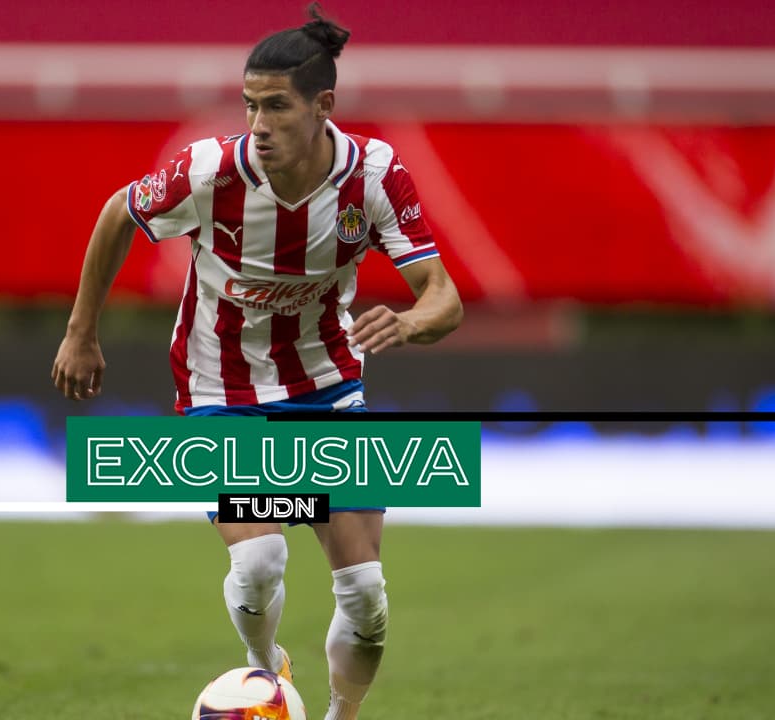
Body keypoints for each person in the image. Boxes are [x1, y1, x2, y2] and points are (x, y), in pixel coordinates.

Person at [51, 5, 462, 719]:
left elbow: (444, 298)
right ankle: (264, 669)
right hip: (222, 389)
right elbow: (120, 211)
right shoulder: (210, 171)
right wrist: (80, 331)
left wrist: (410, 322)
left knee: (366, 595)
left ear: (322, 105)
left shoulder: (373, 176)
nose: (258, 124)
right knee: (261, 558)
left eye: (276, 106)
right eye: (250, 105)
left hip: (328, 390)